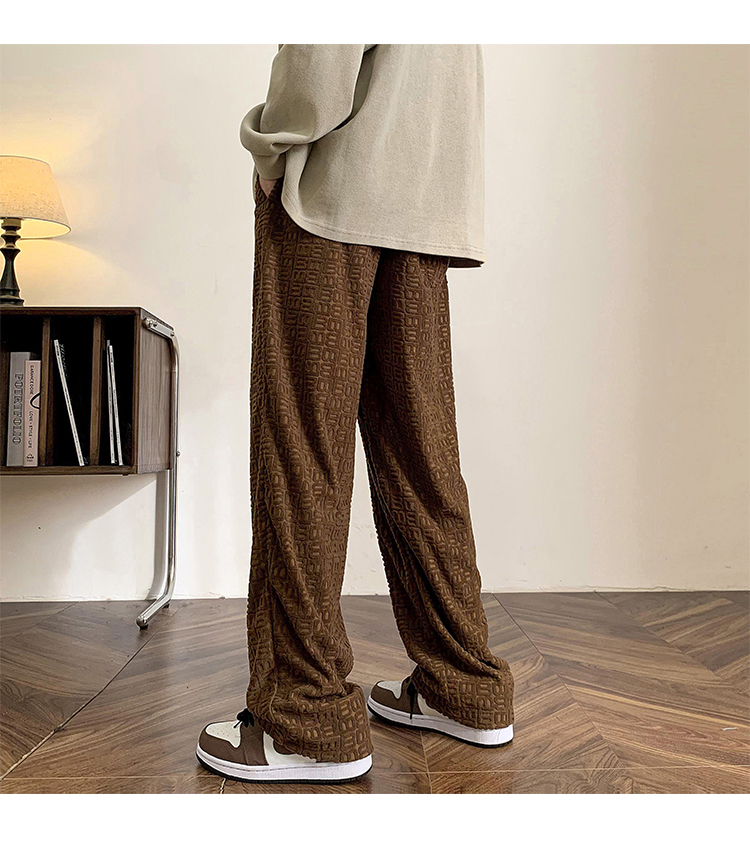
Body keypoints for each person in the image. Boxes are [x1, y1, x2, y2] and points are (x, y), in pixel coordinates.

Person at [196, 44, 514, 784]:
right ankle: (464, 687)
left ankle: (303, 718)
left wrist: (269, 147)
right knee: (422, 455)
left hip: (332, 199)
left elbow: (321, 55)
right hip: (424, 203)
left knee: (302, 451)